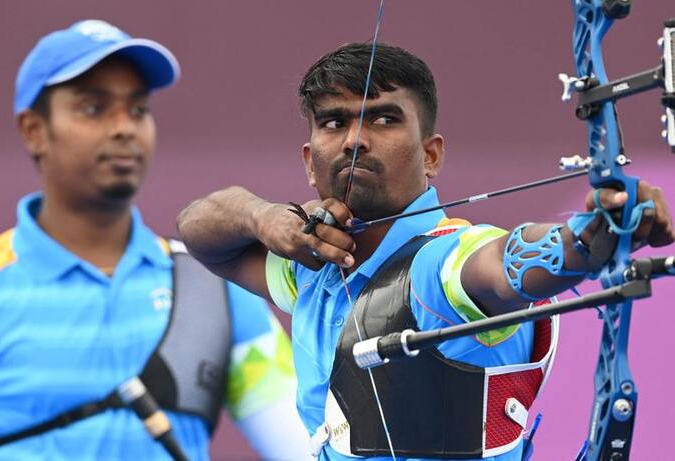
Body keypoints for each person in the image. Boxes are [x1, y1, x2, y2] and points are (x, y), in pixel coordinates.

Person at [176, 42, 674, 461]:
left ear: (430, 155)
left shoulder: (446, 263)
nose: (354, 141)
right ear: (310, 162)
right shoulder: (311, 268)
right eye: (333, 123)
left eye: (384, 120)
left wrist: (591, 237)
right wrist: (262, 217)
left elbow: (502, 267)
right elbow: (200, 233)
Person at [0, 20, 312, 461]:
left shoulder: (212, 287)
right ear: (34, 130)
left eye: (138, 110)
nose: (125, 128)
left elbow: (305, 449)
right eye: (94, 108)